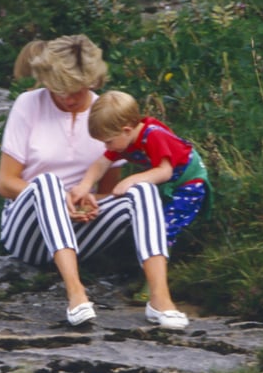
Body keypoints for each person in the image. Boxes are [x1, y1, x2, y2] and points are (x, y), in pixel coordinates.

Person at [0, 34, 189, 330]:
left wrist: (88, 204)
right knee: (47, 182)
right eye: (58, 90)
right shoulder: (28, 104)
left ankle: (160, 300)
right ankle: (76, 294)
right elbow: (6, 183)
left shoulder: (106, 114)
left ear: (92, 80)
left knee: (142, 189)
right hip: (27, 231)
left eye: (76, 89)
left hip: (81, 233)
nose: (68, 98)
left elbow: (108, 193)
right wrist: (62, 198)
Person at [69, 90, 212, 302]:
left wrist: (131, 180)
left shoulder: (153, 136)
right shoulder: (123, 139)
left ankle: (153, 287)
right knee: (149, 222)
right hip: (169, 183)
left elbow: (165, 171)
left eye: (108, 142)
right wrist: (85, 186)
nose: (106, 147)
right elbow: (101, 163)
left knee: (162, 229)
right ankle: (144, 272)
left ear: (126, 130)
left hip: (188, 183)